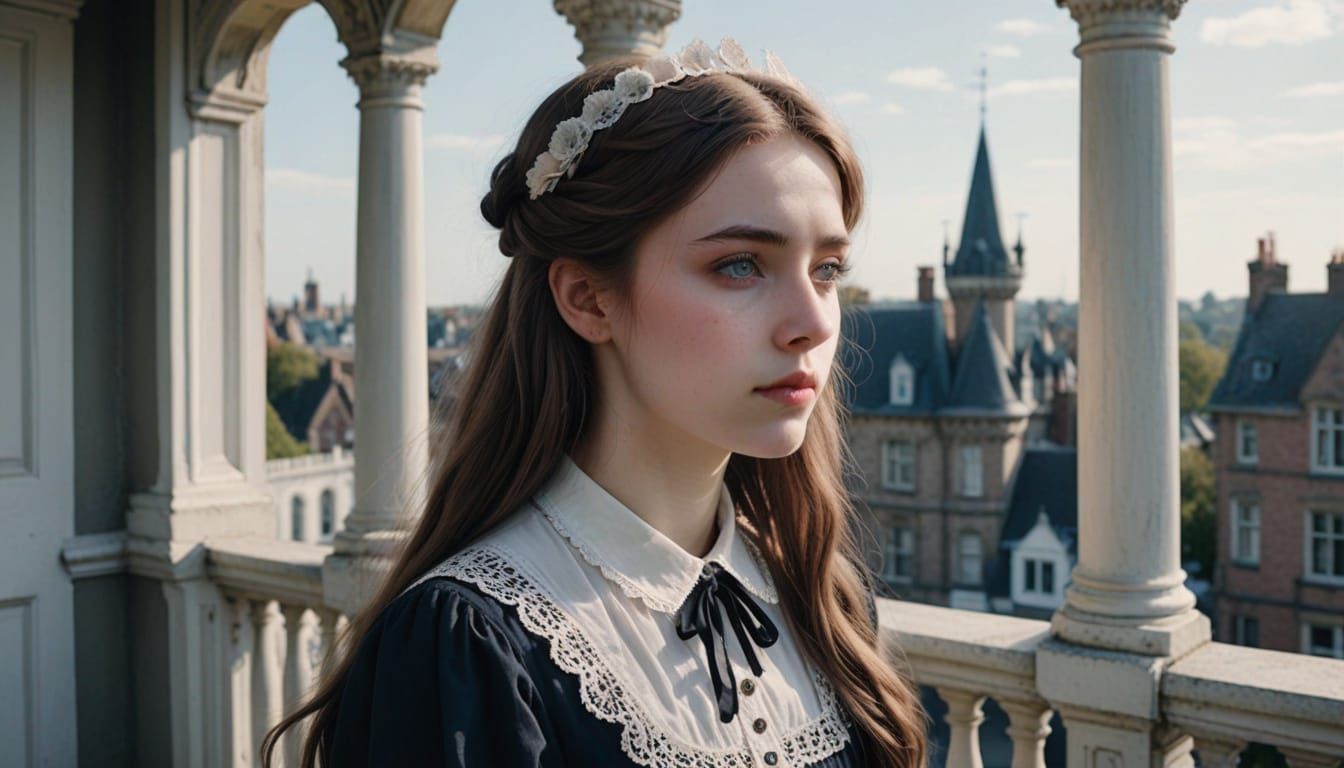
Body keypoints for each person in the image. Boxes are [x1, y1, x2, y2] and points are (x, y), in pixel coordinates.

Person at [264, 37, 929, 768]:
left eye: (827, 269)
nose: (814, 321)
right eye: (740, 265)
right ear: (587, 298)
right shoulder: (470, 645)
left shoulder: (824, 602)